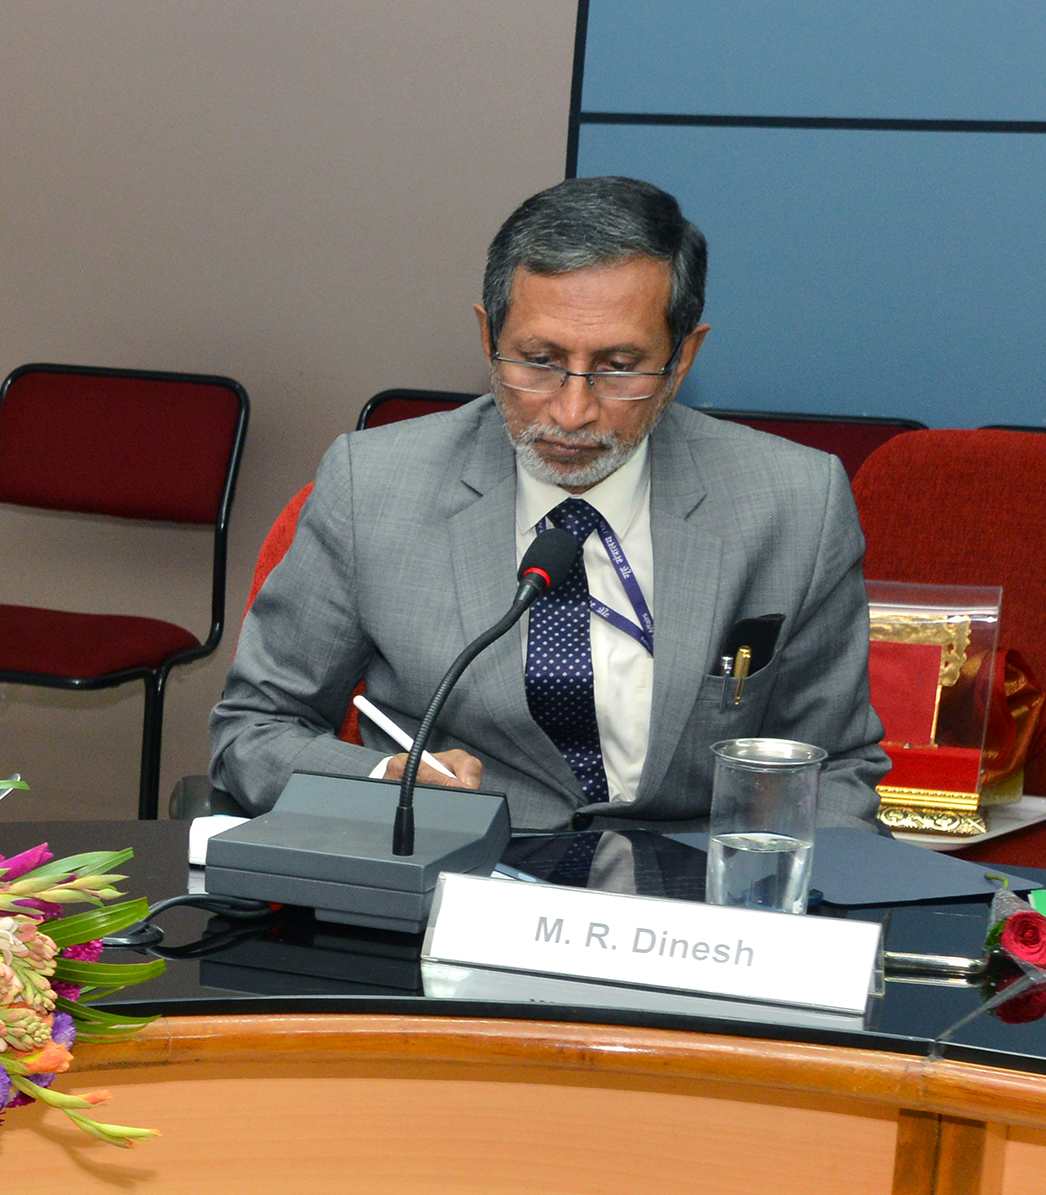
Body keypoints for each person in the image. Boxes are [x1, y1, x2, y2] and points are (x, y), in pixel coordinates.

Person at [211, 175, 886, 828]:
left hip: (691, 897)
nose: (572, 411)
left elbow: (830, 768)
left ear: (682, 360)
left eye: (620, 368)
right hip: (460, 874)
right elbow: (254, 730)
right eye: (538, 360)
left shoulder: (796, 502)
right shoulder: (375, 485)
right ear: (487, 339)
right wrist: (382, 785)